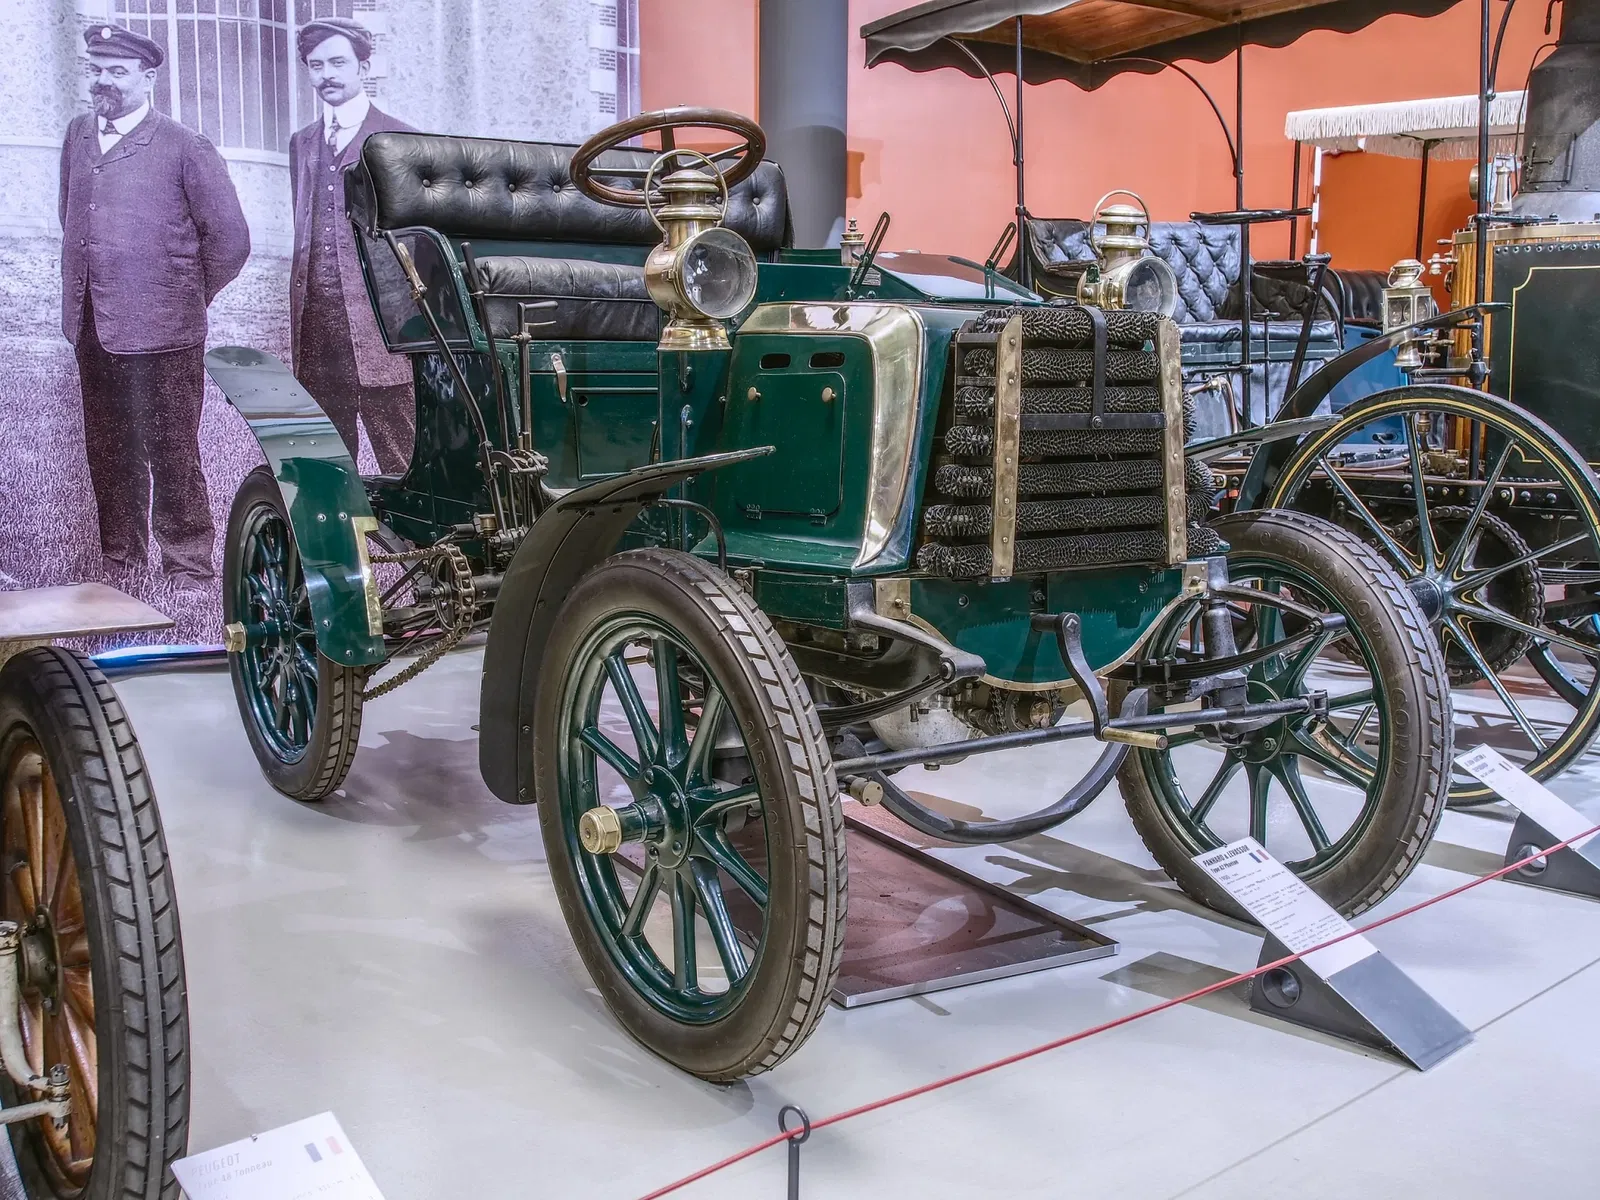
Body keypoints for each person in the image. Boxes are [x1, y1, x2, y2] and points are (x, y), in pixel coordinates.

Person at [60, 24, 250, 592]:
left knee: (172, 449)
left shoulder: (185, 146)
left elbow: (231, 240)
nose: (104, 82)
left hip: (167, 330)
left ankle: (188, 563)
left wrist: (182, 293)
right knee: (108, 446)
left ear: (147, 77)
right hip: (95, 324)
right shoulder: (77, 135)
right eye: (96, 69)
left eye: (117, 71)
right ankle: (121, 558)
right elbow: (71, 221)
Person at [290, 17, 416, 476]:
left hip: (381, 332)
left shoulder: (398, 138)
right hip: (318, 331)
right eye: (316, 64)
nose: (327, 74)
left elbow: (416, 244)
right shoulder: (302, 143)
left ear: (364, 66)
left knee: (401, 459)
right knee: (326, 465)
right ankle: (340, 547)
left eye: (338, 62)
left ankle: (410, 547)